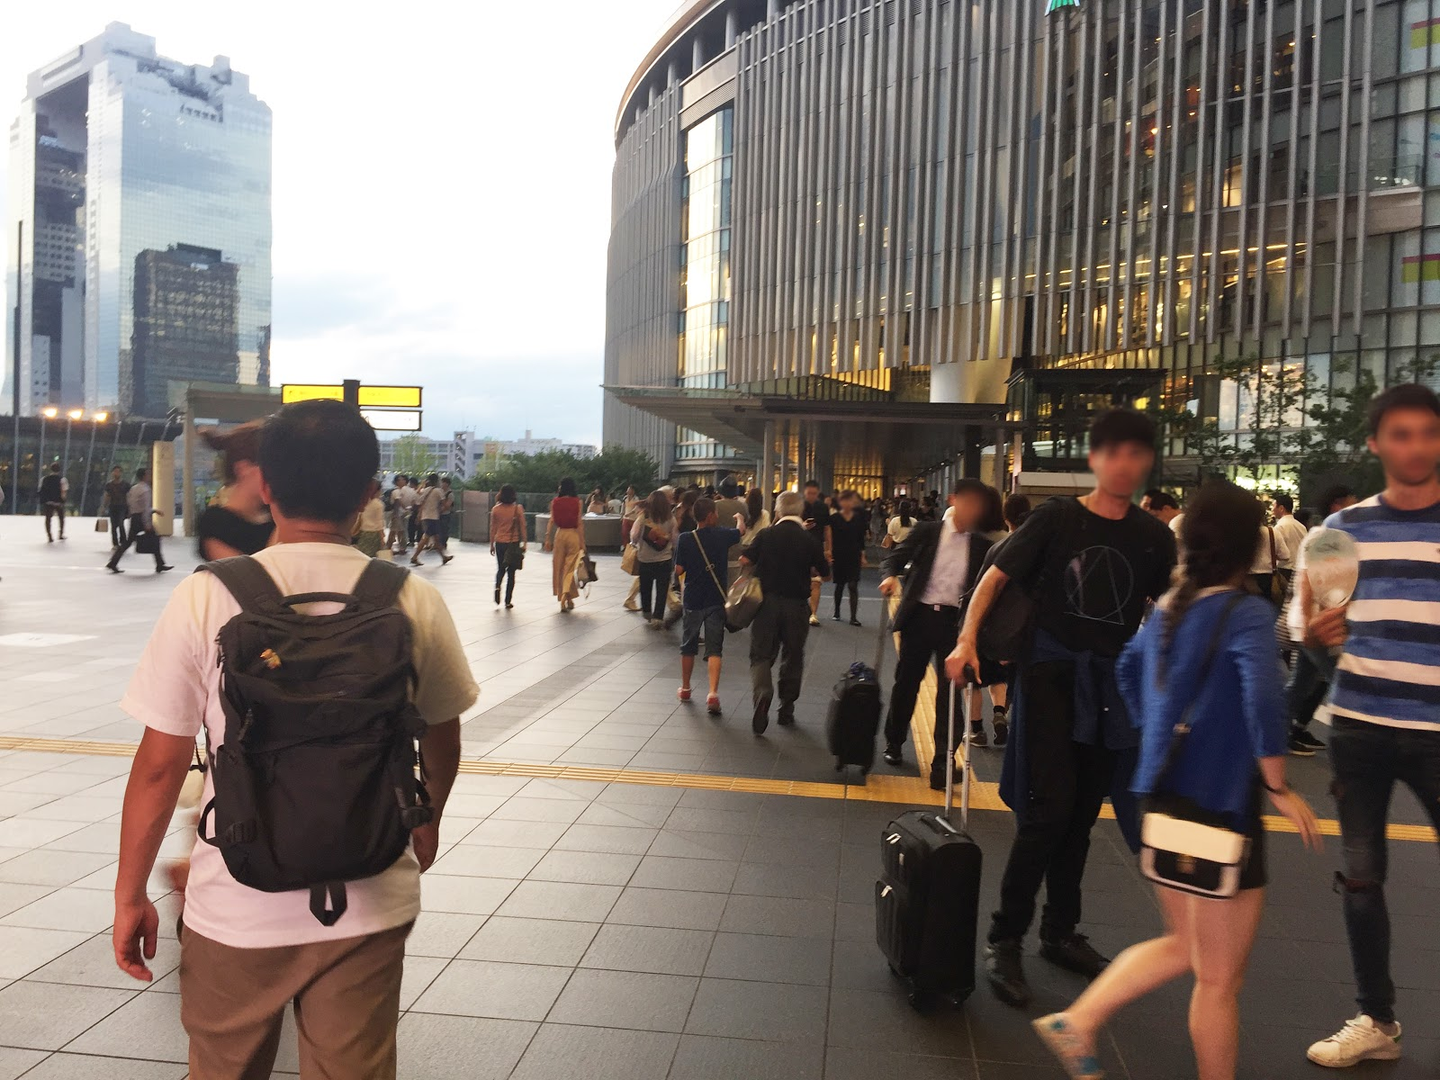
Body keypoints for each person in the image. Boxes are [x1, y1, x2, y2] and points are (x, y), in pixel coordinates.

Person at [112, 398, 477, 1079]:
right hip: (370, 892)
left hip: (237, 897)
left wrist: (129, 893)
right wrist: (425, 820)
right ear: (368, 493)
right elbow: (442, 733)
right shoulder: (410, 597)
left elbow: (161, 765)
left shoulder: (206, 596)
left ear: (268, 487)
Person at [1033, 479, 1321, 1080]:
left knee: (1185, 947)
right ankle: (1081, 1022)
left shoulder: (1168, 608)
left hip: (1161, 798)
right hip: (1222, 807)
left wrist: (1160, 733)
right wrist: (1277, 785)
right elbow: (1264, 698)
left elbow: (1128, 671)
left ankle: (1079, 1021)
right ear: (1250, 547)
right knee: (1218, 979)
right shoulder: (1246, 613)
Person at [947, 408, 1177, 1008]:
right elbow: (995, 578)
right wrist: (966, 639)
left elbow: (1173, 607)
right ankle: (1005, 937)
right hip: (1051, 674)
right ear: (1095, 459)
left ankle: (1059, 931)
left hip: (1111, 685)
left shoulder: (1153, 537)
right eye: (1114, 452)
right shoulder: (1056, 518)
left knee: (1081, 815)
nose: (1125, 464)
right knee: (1048, 811)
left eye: (1136, 454)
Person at [1302, 385, 1440, 1070]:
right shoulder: (1339, 532)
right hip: (1359, 727)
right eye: (1401, 434)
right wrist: (1316, 638)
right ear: (1375, 443)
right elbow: (1309, 635)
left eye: (1428, 433)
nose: (1416, 446)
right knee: (1361, 877)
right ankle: (1376, 1019)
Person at [879, 479, 994, 784]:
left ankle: (943, 759)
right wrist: (890, 576)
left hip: (954, 625)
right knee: (907, 683)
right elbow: (895, 557)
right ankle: (894, 741)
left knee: (950, 693)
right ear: (953, 500)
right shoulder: (928, 532)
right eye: (969, 503)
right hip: (919, 618)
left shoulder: (982, 546)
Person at [742, 490, 830, 733]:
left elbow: (745, 560)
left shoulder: (766, 534)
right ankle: (786, 708)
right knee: (793, 655)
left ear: (778, 511)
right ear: (801, 511)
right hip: (797, 606)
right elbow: (825, 573)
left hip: (766, 604)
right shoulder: (809, 539)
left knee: (760, 654)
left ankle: (763, 692)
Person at [1283, 484, 1359, 756]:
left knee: (1300, 684)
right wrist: (1308, 625)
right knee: (1343, 681)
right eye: (1352, 501)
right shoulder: (1327, 535)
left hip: (1313, 624)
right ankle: (1354, 747)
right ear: (1336, 505)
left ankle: (1272, 732)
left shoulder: (1333, 535)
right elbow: (1307, 583)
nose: (1356, 506)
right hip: (1316, 625)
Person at [674, 497, 744, 713]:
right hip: (715, 599)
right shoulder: (722, 535)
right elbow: (740, 531)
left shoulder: (686, 538)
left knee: (688, 645)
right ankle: (712, 693)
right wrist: (739, 518)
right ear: (711, 515)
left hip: (693, 599)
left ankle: (686, 688)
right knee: (715, 648)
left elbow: (678, 570)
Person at [196, 423, 274, 561]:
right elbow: (244, 572)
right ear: (243, 468)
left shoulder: (277, 516)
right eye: (271, 467)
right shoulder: (217, 523)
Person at [106, 468, 172, 574]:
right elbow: (145, 508)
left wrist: (150, 511)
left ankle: (113, 562)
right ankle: (159, 564)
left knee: (128, 542)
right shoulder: (145, 490)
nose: (150, 476)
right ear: (144, 476)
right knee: (155, 539)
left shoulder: (133, 489)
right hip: (142, 518)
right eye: (148, 474)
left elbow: (131, 503)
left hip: (135, 517)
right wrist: (147, 523)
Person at [632, 490, 676, 629]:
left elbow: (634, 536)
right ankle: (658, 617)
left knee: (645, 587)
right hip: (665, 559)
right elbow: (675, 539)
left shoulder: (643, 517)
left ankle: (647, 612)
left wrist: (636, 542)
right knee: (662, 590)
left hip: (645, 559)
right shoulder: (670, 518)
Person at [545, 477, 586, 612]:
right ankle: (565, 597)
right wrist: (582, 542)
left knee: (559, 567)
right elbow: (579, 523)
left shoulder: (555, 502)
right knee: (569, 568)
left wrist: (547, 538)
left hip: (560, 534)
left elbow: (551, 520)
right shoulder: (578, 502)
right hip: (573, 534)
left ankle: (567, 598)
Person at [829, 490, 870, 625]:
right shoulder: (834, 518)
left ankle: (853, 617)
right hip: (839, 554)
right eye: (845, 501)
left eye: (850, 501)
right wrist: (829, 552)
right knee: (840, 584)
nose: (847, 504)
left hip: (854, 554)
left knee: (853, 585)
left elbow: (860, 539)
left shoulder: (858, 518)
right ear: (840, 502)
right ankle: (837, 611)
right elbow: (830, 538)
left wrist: (863, 556)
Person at [801, 480, 833, 627]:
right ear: (804, 492)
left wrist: (829, 549)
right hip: (800, 547)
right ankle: (803, 609)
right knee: (801, 580)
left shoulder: (822, 507)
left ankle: (813, 613)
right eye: (809, 493)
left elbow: (827, 528)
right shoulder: (798, 506)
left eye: (814, 493)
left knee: (816, 582)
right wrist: (803, 526)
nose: (811, 496)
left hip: (817, 548)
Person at [489, 484, 527, 608]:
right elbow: (523, 526)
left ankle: (497, 586)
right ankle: (508, 600)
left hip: (500, 542)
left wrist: (491, 544)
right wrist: (525, 542)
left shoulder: (496, 509)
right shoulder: (518, 509)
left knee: (501, 568)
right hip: (513, 543)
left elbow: (493, 528)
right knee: (511, 572)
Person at [1270, 492, 1308, 595]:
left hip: (1285, 570)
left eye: (1274, 506)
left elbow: (1278, 550)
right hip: (1300, 568)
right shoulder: (1301, 526)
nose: (1272, 509)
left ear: (1281, 508)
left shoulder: (1280, 527)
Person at [411, 474, 451, 567]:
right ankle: (414, 557)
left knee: (436, 538)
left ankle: (443, 557)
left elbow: (419, 501)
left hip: (425, 516)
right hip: (433, 517)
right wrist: (443, 508)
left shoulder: (426, 490)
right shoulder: (438, 491)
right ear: (437, 481)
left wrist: (419, 515)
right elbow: (444, 504)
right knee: (426, 537)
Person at [1249, 514, 1289, 602]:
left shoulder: (1244, 533)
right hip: (1269, 578)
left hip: (1248, 579)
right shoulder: (1273, 532)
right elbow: (1286, 556)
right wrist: (1271, 555)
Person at [736, 487, 770, 568]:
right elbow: (765, 529)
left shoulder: (742, 512)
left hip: (741, 546)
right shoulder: (765, 514)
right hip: (756, 547)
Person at [354, 480, 387, 558]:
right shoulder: (378, 504)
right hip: (374, 533)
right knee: (371, 556)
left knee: (362, 555)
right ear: (377, 491)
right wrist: (382, 538)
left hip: (362, 532)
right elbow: (379, 522)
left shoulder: (362, 502)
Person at [102, 466, 131, 548]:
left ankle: (123, 540)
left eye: (118, 471)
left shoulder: (126, 485)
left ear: (121, 473)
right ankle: (115, 543)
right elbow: (107, 496)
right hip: (113, 506)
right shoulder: (109, 485)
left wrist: (130, 508)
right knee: (114, 525)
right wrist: (104, 506)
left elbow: (129, 496)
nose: (116, 473)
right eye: (115, 471)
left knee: (121, 523)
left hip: (122, 506)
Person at [39, 461, 67, 542]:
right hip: (58, 502)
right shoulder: (62, 479)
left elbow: (41, 490)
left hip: (48, 502)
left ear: (50, 469)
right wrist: (63, 500)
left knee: (48, 519)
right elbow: (63, 491)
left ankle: (49, 536)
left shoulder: (44, 479)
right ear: (59, 470)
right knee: (61, 518)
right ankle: (60, 534)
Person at [387, 475, 415, 555]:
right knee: (396, 530)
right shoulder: (396, 491)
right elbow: (397, 502)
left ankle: (399, 547)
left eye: (403, 480)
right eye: (399, 480)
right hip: (399, 513)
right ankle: (392, 547)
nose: (401, 481)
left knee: (400, 531)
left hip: (403, 513)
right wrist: (406, 508)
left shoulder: (407, 491)